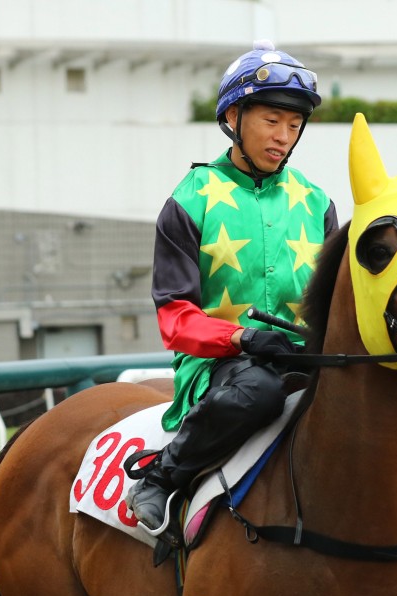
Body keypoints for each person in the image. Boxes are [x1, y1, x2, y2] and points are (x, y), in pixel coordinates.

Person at [125, 41, 338, 532]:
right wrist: (242, 338)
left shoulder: (317, 202)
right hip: (221, 368)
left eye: (294, 125)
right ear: (234, 117)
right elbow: (174, 318)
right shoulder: (190, 199)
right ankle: (159, 477)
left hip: (305, 359)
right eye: (271, 120)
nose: (283, 136)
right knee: (258, 389)